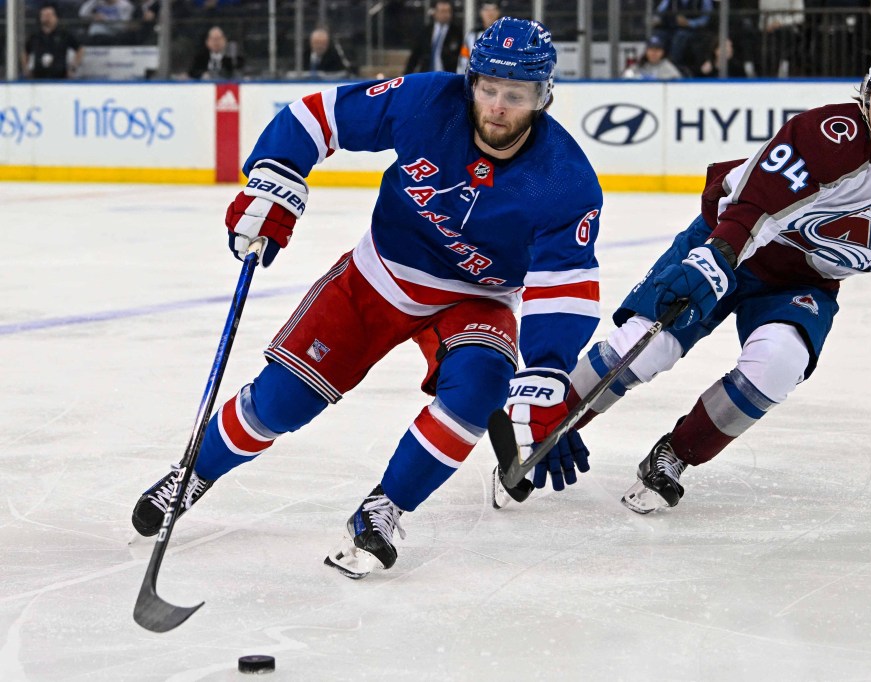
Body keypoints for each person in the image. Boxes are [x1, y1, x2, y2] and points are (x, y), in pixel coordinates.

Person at [131, 18, 601, 578]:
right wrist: (275, 177)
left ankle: (385, 509)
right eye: (489, 89)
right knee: (280, 402)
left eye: (516, 95)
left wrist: (547, 371)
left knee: (478, 388)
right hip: (380, 276)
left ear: (543, 96)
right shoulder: (428, 101)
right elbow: (315, 115)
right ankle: (193, 472)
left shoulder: (566, 180)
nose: (499, 106)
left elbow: (564, 282)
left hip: (476, 297)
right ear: (470, 80)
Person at [553, 36, 871, 515]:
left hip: (801, 282)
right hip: (729, 245)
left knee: (779, 364)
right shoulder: (822, 134)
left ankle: (674, 455)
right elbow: (753, 206)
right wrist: (711, 262)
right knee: (648, 346)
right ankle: (544, 427)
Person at [22, 4, 83, 79]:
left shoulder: (64, 35)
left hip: (60, 78)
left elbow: (80, 49)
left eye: (49, 15)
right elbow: (25, 52)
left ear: (56, 18)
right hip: (38, 79)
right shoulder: (34, 36)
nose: (47, 18)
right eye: (44, 15)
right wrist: (26, 69)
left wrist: (73, 68)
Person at [404, 0, 460, 74]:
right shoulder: (426, 31)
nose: (445, 15)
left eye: (448, 11)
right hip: (427, 74)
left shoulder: (456, 33)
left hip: (447, 75)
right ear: (435, 13)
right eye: (442, 11)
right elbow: (415, 55)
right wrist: (406, 75)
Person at [457, 0, 501, 74]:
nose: (490, 13)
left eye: (493, 9)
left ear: (498, 12)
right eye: (486, 10)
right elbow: (463, 62)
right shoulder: (471, 36)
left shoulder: (505, 37)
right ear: (481, 12)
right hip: (475, 80)